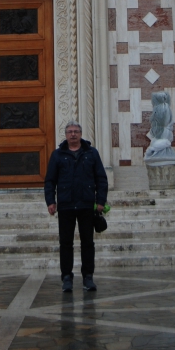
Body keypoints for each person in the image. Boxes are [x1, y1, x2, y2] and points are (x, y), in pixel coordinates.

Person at [44, 121, 108, 292]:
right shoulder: (58, 155)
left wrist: (100, 201)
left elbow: (101, 178)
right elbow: (50, 180)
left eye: (76, 131)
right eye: (70, 132)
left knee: (87, 243)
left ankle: (88, 277)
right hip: (66, 205)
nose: (73, 134)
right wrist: (51, 201)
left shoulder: (91, 153)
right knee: (66, 243)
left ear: (80, 134)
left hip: (86, 204)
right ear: (65, 135)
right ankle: (66, 277)